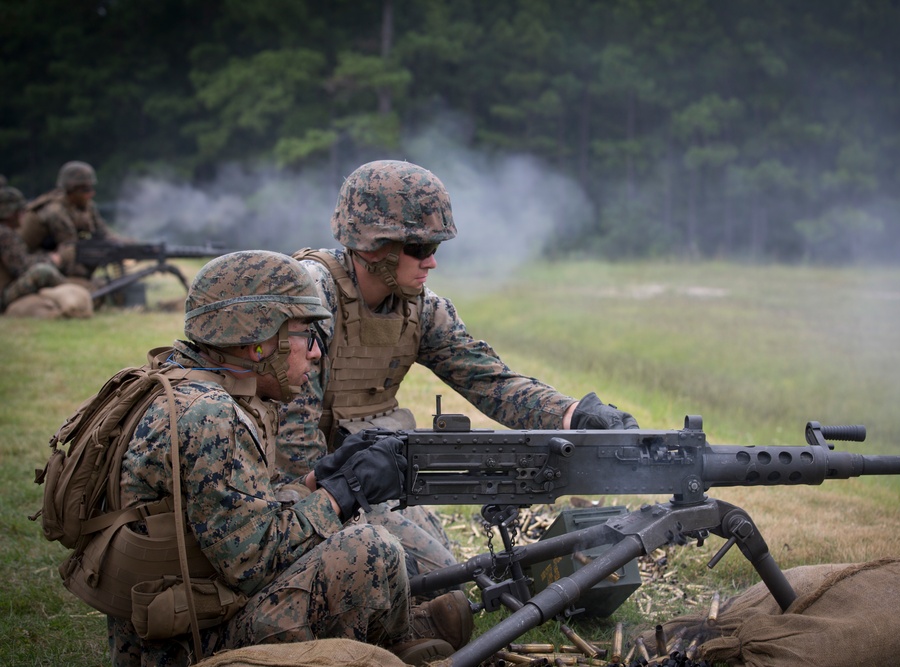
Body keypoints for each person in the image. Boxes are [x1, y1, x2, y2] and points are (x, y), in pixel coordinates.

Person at [62, 250, 470, 667]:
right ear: (258, 340)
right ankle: (395, 641)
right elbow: (253, 563)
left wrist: (320, 479)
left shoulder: (187, 383)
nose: (316, 353)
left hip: (185, 617)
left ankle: (392, 642)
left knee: (353, 527)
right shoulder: (212, 417)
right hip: (185, 646)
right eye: (304, 335)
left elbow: (241, 511)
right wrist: (342, 493)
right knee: (367, 547)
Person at [280, 159, 639, 580]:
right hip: (305, 487)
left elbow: (490, 381)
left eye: (435, 249)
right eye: (420, 249)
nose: (431, 263)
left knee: (441, 570)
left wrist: (574, 414)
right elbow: (291, 437)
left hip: (369, 476)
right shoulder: (311, 297)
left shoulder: (422, 309)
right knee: (435, 582)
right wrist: (320, 509)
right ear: (374, 246)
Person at [19, 160, 121, 281]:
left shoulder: (86, 206)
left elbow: (103, 234)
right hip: (33, 260)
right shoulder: (55, 211)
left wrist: (123, 245)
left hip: (56, 258)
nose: (91, 194)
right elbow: (71, 249)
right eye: (86, 190)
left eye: (91, 188)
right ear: (72, 190)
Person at [0, 175, 65, 312]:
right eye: (20, 211)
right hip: (3, 295)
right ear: (10, 213)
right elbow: (21, 267)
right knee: (43, 271)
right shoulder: (5, 235)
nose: (24, 215)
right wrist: (51, 260)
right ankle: (73, 292)